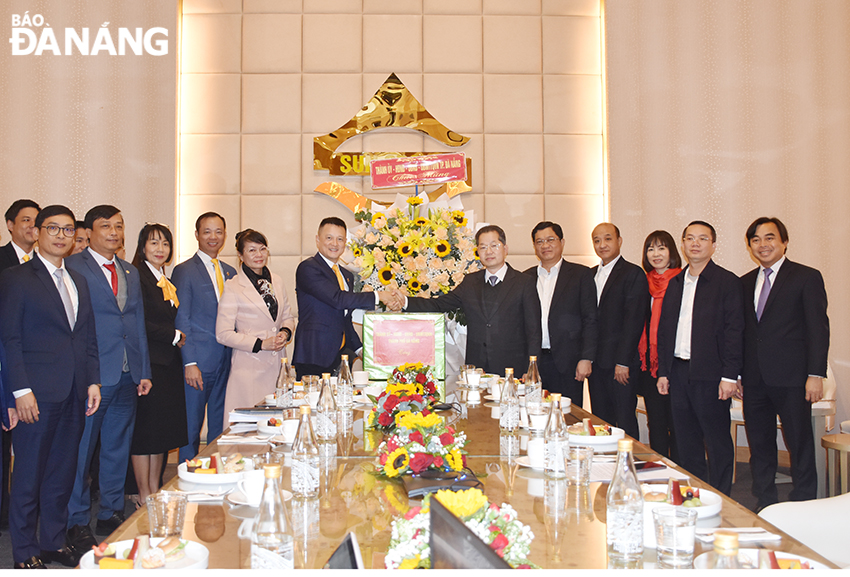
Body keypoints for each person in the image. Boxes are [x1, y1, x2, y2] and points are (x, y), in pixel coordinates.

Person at [0, 205, 101, 568]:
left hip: (75, 392)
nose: (61, 236)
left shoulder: (79, 281)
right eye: (53, 229)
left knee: (62, 474)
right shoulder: (17, 277)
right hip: (36, 395)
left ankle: (53, 541)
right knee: (28, 476)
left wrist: (93, 381)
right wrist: (20, 391)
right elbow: (9, 339)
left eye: (68, 230)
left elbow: (87, 337)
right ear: (37, 233)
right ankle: (24, 551)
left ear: (76, 236)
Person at [65, 205, 152, 549]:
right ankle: (75, 519)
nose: (115, 232)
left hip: (128, 375)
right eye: (106, 226)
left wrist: (143, 370)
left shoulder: (129, 271)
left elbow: (136, 323)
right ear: (91, 231)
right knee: (81, 453)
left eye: (119, 226)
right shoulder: (73, 267)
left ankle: (111, 511)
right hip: (93, 378)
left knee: (117, 448)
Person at [740, 217, 829, 511]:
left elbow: (818, 329)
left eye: (769, 238)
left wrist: (815, 374)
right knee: (760, 445)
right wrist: (738, 373)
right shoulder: (744, 282)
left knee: (799, 444)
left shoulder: (806, 276)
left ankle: (804, 503)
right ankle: (766, 503)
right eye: (756, 240)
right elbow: (742, 332)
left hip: (792, 377)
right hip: (754, 379)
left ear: (784, 242)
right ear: (750, 246)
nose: (762, 245)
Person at [657, 221, 744, 496]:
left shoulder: (727, 282)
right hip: (679, 372)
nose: (695, 243)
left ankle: (721, 497)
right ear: (682, 245)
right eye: (690, 238)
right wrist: (663, 371)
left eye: (702, 239)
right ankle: (692, 496)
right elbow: (666, 329)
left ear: (713, 245)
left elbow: (735, 331)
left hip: (711, 374)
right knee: (685, 441)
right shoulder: (676, 283)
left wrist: (730, 376)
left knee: (717, 440)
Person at [401, 225, 542, 377]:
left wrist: (532, 369)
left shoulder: (524, 282)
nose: (489, 251)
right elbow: (439, 304)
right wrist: (404, 301)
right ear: (478, 252)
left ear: (505, 248)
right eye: (483, 247)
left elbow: (533, 330)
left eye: (494, 245)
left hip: (513, 368)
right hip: (477, 369)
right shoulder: (470, 282)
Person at [292, 217, 399, 379]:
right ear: (317, 240)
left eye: (340, 239)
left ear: (345, 243)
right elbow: (337, 299)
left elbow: (344, 319)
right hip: (314, 354)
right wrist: (379, 296)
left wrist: (360, 350)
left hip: (340, 357)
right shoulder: (308, 268)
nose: (334, 243)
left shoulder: (346, 275)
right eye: (329, 238)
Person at [130, 224, 188, 504]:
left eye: (165, 244)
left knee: (160, 433)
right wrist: (173, 335)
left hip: (167, 364)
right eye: (154, 243)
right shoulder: (137, 277)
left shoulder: (163, 279)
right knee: (145, 432)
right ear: (142, 247)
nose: (160, 249)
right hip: (149, 364)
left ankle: (154, 489)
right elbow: (137, 321)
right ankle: (143, 493)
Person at [172, 212, 236, 462]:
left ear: (225, 235)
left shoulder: (231, 272)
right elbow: (182, 318)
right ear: (197, 235)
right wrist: (189, 362)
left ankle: (216, 474)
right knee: (191, 427)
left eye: (218, 231)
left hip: (226, 359)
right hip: (198, 362)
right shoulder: (184, 271)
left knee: (220, 425)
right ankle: (186, 481)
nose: (213, 237)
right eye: (207, 231)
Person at [216, 229, 296, 423]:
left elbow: (287, 316)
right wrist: (261, 344)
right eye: (252, 250)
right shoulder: (233, 286)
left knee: (277, 426)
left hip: (277, 365)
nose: (259, 255)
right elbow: (223, 334)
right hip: (249, 368)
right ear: (240, 255)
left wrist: (285, 333)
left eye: (262, 249)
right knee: (250, 428)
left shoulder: (276, 280)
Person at [524, 221, 596, 405]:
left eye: (550, 239)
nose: (545, 245)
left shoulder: (581, 275)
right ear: (534, 246)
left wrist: (586, 357)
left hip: (568, 361)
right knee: (534, 413)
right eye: (539, 241)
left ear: (562, 242)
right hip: (534, 362)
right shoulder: (525, 278)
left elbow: (590, 318)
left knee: (569, 416)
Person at [0, 199, 40, 527]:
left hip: (41, 370)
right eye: (24, 220)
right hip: (5, 365)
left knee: (33, 450)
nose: (31, 226)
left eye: (36, 221)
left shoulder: (48, 265)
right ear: (10, 224)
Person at [587, 223, 647, 439]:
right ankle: (605, 464)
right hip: (596, 363)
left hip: (620, 365)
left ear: (619, 241)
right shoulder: (589, 274)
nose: (602, 245)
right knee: (601, 420)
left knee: (624, 420)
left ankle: (630, 465)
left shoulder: (633, 274)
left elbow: (634, 321)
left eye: (608, 239)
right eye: (596, 240)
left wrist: (622, 362)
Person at [637, 230, 682, 460]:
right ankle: (658, 467)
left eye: (661, 248)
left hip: (675, 363)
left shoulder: (683, 280)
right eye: (651, 248)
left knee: (677, 422)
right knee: (655, 420)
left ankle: (680, 471)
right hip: (649, 364)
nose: (656, 254)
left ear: (671, 252)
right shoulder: (642, 282)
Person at [0, 199, 40, 270]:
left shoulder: (42, 261)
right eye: (26, 220)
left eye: (36, 221)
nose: (33, 225)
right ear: (10, 225)